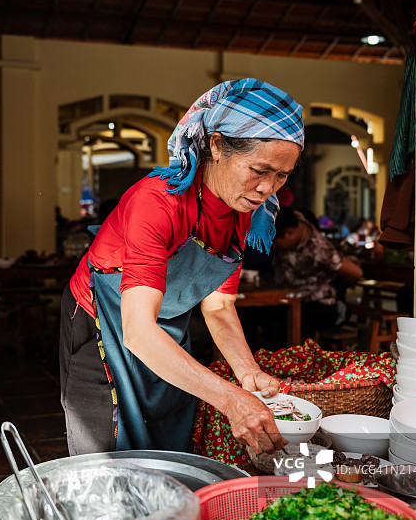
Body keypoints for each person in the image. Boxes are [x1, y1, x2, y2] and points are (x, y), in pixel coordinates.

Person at [59, 79, 304, 458]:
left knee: (168, 440)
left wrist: (247, 373)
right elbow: (138, 332)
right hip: (103, 325)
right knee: (109, 456)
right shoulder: (158, 203)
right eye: (259, 169)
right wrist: (232, 401)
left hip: (166, 328)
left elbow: (219, 307)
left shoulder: (241, 213)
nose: (267, 189)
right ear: (217, 145)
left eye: (282, 176)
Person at [271, 206, 363, 342]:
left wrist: (337, 286)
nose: (273, 247)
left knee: (278, 324)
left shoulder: (319, 250)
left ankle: (290, 361)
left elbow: (356, 273)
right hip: (294, 300)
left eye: (276, 243)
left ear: (289, 233)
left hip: (321, 306)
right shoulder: (296, 218)